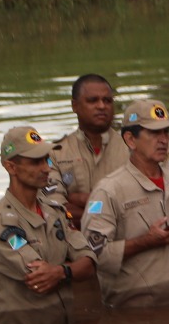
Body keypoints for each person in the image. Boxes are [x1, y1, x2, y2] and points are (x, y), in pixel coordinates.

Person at [0, 125, 98, 324]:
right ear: (11, 167)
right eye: (35, 162)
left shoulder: (55, 211)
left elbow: (89, 263)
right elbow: (39, 278)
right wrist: (69, 270)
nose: (46, 168)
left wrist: (61, 271)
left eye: (46, 159)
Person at [84, 99, 169, 309]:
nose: (163, 140)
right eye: (154, 133)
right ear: (130, 139)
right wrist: (145, 242)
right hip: (136, 312)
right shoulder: (109, 190)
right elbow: (92, 254)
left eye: (166, 132)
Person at [48, 74, 128, 223]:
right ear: (74, 106)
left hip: (125, 241)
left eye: (107, 100)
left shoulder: (132, 148)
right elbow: (56, 210)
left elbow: (141, 206)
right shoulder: (55, 153)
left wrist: (78, 199)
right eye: (93, 100)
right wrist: (109, 208)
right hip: (74, 241)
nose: (102, 106)